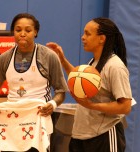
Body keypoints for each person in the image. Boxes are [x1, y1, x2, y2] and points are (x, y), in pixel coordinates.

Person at [0, 13, 68, 152]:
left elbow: (61, 91)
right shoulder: (4, 58)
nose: (22, 34)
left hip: (38, 118)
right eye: (18, 30)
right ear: (13, 32)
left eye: (28, 30)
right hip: (11, 120)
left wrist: (52, 104)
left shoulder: (48, 56)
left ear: (35, 32)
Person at [46, 17, 132, 152]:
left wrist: (91, 105)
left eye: (87, 33)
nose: (82, 37)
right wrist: (62, 60)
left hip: (104, 136)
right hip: (81, 137)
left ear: (101, 38)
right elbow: (79, 79)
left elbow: (125, 106)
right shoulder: (93, 62)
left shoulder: (115, 66)